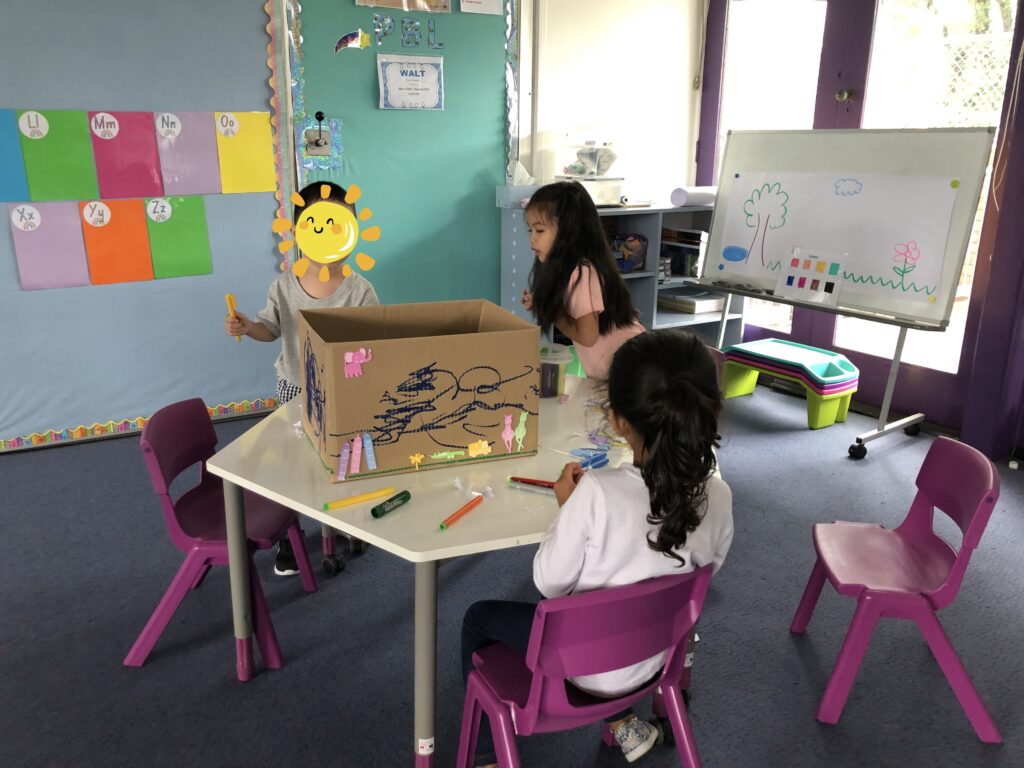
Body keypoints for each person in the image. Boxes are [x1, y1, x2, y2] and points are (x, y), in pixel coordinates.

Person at [461, 329, 734, 766]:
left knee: (477, 619)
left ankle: (488, 758)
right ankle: (623, 722)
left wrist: (569, 511)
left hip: (582, 672)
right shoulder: (719, 495)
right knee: (607, 609)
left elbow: (550, 582)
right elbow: (706, 569)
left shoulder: (600, 493)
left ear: (619, 420)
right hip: (651, 663)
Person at [224, 180, 379, 575]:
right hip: (295, 387)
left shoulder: (359, 289)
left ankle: (347, 524)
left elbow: (375, 340)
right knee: (296, 467)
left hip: (343, 391)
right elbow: (269, 329)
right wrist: (246, 327)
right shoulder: (284, 286)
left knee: (342, 461)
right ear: (298, 230)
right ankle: (290, 541)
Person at [521, 180, 645, 381]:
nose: (532, 239)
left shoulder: (581, 272)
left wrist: (550, 312)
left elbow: (587, 337)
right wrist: (541, 302)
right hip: (618, 368)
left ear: (568, 232)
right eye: (530, 230)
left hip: (631, 369)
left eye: (540, 230)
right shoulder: (569, 270)